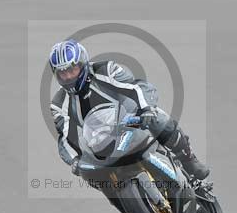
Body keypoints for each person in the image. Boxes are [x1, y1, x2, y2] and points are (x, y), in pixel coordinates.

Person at [48, 39, 210, 181]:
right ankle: (127, 203)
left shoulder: (105, 70)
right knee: (88, 173)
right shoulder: (58, 104)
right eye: (63, 73)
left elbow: (134, 88)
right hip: (99, 140)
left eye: (71, 70)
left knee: (156, 117)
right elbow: (65, 137)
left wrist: (146, 109)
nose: (68, 77)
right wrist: (75, 160)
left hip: (129, 118)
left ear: (82, 64)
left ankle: (188, 158)